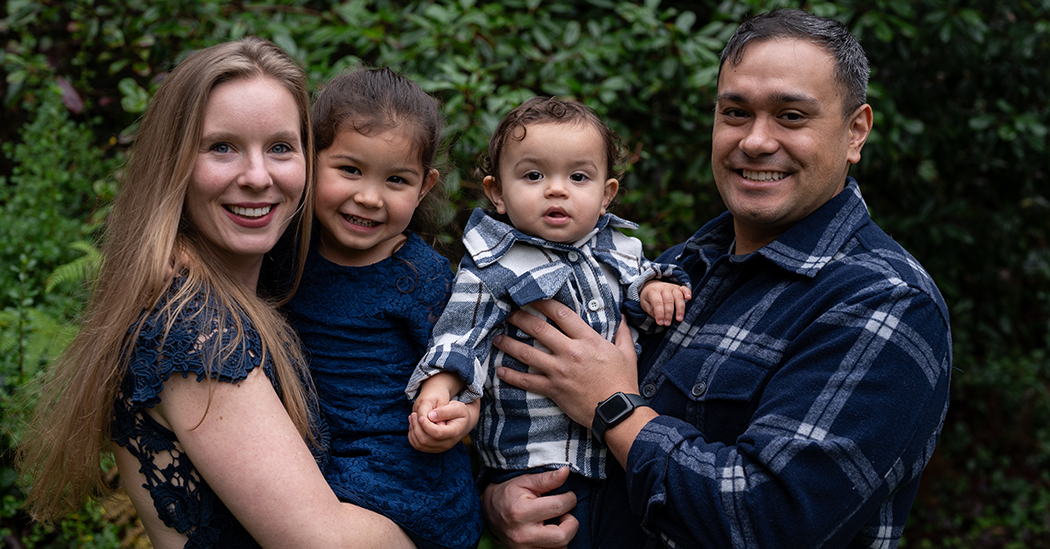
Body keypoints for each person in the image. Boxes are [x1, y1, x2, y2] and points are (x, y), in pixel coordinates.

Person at [483, 9, 952, 548]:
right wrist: (500, 502)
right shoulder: (678, 267)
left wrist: (612, 404)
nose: (754, 141)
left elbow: (771, 521)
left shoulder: (884, 301)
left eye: (791, 116)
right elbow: (536, 423)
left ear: (855, 132)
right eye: (735, 112)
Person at [18, 37, 416, 548]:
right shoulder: (196, 330)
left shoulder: (263, 291)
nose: (257, 177)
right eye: (221, 147)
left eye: (279, 147)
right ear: (174, 164)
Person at [404, 97, 691, 548]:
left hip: (615, 462)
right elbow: (460, 336)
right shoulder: (491, 268)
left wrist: (656, 291)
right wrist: (437, 393)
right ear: (497, 192)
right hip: (537, 465)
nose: (556, 190)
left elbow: (639, 298)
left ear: (606, 195)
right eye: (534, 175)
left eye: (578, 177)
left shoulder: (620, 251)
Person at [281, 67, 482, 549]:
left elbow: (467, 362)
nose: (368, 197)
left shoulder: (423, 277)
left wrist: (461, 417)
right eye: (350, 170)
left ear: (425, 185)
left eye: (396, 179)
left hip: (403, 475)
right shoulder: (285, 252)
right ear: (310, 160)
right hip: (312, 466)